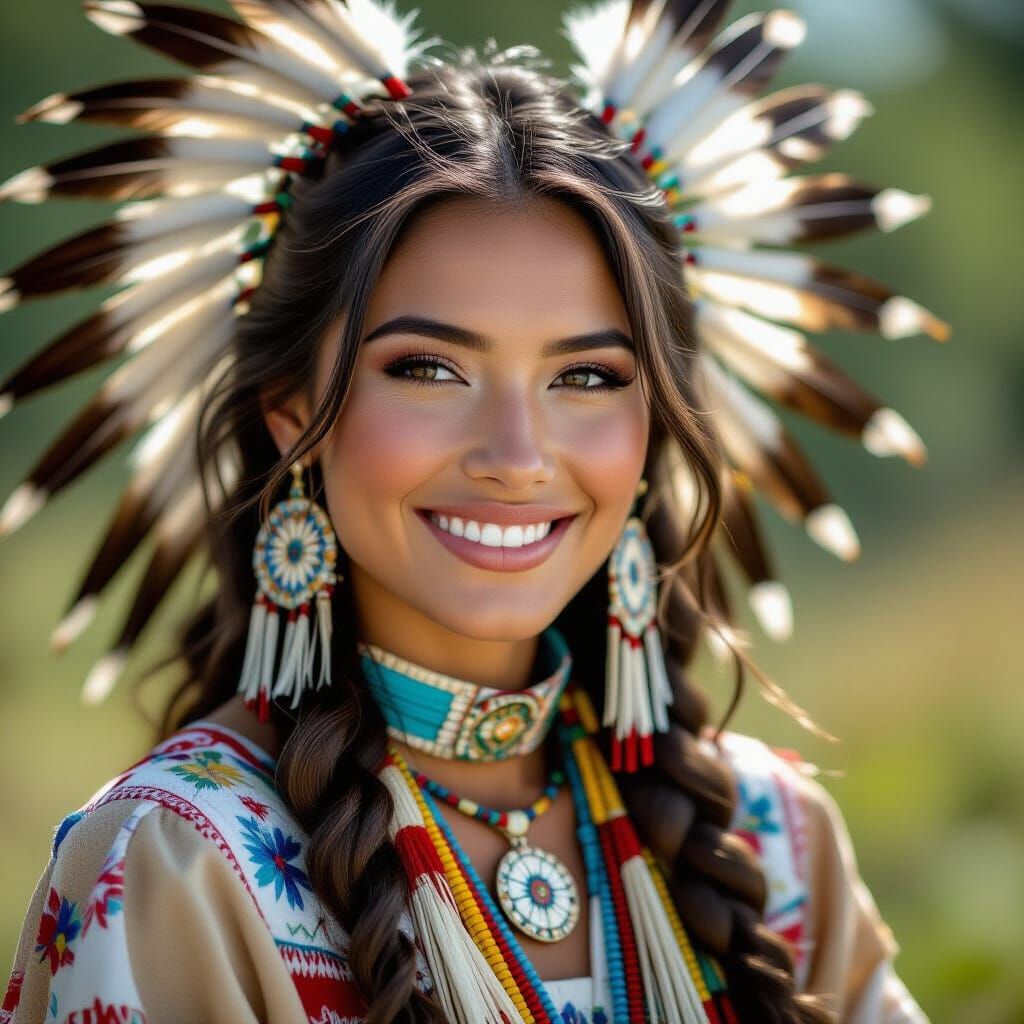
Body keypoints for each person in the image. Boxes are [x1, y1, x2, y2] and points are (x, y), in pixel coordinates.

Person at [0, 1, 945, 1021]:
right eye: (429, 368)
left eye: (587, 376)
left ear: (657, 426)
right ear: (292, 413)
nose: (516, 457)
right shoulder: (177, 862)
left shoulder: (773, 846)